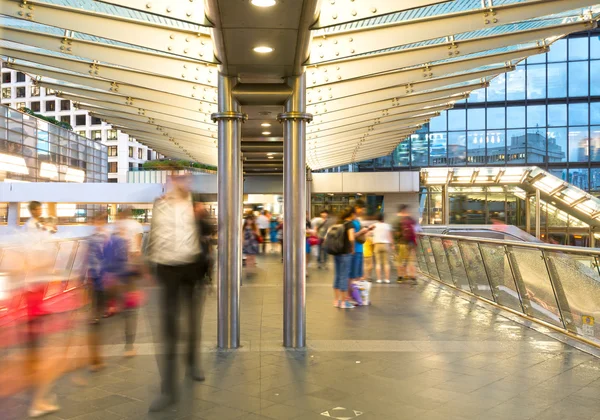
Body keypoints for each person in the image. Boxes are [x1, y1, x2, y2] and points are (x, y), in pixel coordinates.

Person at [146, 175, 205, 412]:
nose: (182, 182)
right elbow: (155, 234)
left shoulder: (196, 202)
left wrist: (203, 217)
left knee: (192, 321)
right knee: (168, 329)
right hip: (167, 269)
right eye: (177, 178)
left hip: (191, 267)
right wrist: (151, 263)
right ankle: (168, 389)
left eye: (185, 178)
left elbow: (209, 231)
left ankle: (192, 362)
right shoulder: (159, 203)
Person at [333, 207, 356, 309]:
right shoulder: (350, 224)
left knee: (337, 276)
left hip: (336, 253)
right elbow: (351, 238)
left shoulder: (339, 223)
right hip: (345, 254)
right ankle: (344, 302)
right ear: (351, 214)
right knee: (344, 277)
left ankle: (336, 301)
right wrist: (352, 248)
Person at [349, 200, 372, 293]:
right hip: (353, 251)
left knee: (358, 275)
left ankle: (357, 296)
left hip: (359, 250)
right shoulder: (351, 221)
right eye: (362, 209)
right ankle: (351, 296)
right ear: (357, 208)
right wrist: (361, 232)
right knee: (353, 275)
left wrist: (366, 230)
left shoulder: (357, 220)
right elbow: (351, 236)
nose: (363, 211)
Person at [395, 205, 418, 283]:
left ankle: (400, 277)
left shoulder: (398, 220)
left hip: (402, 243)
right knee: (411, 261)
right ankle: (413, 277)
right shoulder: (411, 219)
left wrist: (394, 243)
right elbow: (416, 230)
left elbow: (396, 234)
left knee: (400, 261)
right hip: (411, 243)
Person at [371, 213, 394, 284]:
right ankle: (387, 279)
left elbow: (371, 234)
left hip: (377, 245)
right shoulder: (387, 226)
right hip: (386, 245)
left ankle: (379, 279)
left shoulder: (374, 226)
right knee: (386, 263)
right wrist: (392, 245)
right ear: (384, 218)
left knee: (378, 263)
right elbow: (390, 237)